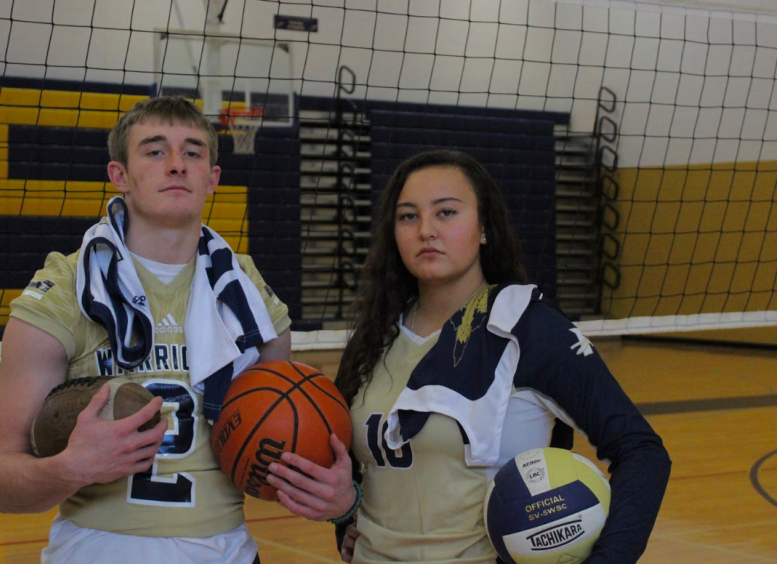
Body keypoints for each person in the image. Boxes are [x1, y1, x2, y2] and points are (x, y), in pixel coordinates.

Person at [266, 150, 671, 563]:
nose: (426, 230)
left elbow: (641, 451)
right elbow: (355, 469)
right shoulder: (374, 338)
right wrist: (344, 514)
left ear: (484, 228)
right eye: (408, 216)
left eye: (446, 213)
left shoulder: (527, 329)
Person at [0, 96, 292, 564]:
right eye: (154, 151)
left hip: (227, 551)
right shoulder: (65, 291)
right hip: (98, 550)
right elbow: (3, 484)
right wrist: (69, 469)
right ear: (120, 176)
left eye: (192, 152)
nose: (176, 165)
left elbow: (278, 449)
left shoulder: (251, 297)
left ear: (212, 179)